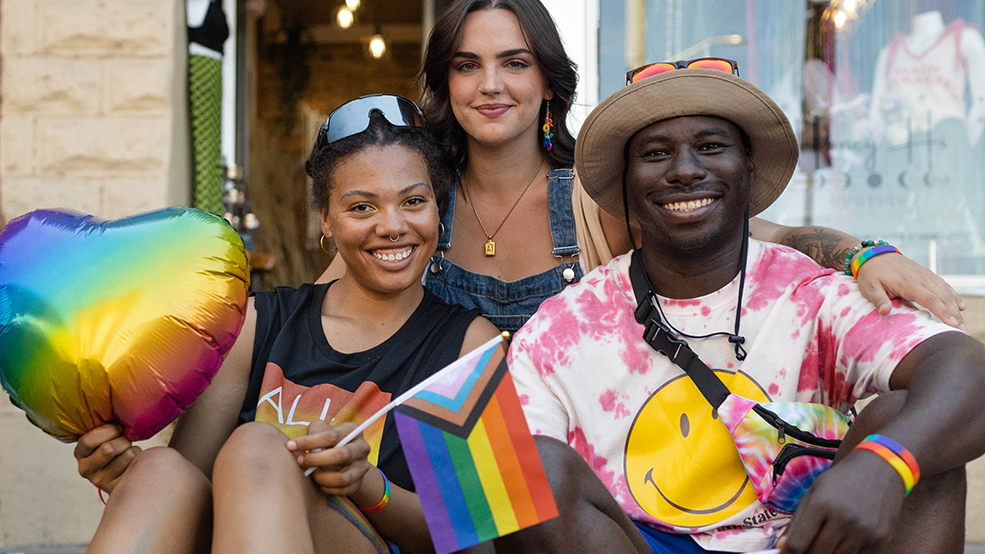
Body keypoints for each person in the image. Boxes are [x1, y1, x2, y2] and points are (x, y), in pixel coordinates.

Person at [503, 67, 985, 553]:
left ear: (748, 166)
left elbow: (968, 371)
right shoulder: (561, 331)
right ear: (627, 182)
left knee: (913, 422)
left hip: (803, 539)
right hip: (634, 544)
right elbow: (503, 502)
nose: (685, 169)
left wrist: (882, 465)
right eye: (655, 154)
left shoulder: (810, 295)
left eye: (711, 146)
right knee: (529, 467)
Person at [317, 0, 966, 335]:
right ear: (444, 81)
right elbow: (322, 311)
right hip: (433, 483)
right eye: (466, 64)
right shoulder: (415, 209)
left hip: (579, 488)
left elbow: (769, 236)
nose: (490, 85)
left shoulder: (596, 199)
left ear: (547, 79)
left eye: (513, 63)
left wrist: (868, 255)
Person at [74, 95, 500, 554]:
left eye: (413, 201)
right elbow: (186, 485)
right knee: (159, 470)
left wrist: (369, 487)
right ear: (327, 220)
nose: (392, 225)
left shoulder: (472, 346)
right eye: (361, 208)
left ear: (438, 208)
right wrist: (125, 476)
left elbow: (479, 544)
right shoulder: (256, 324)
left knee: (258, 445)